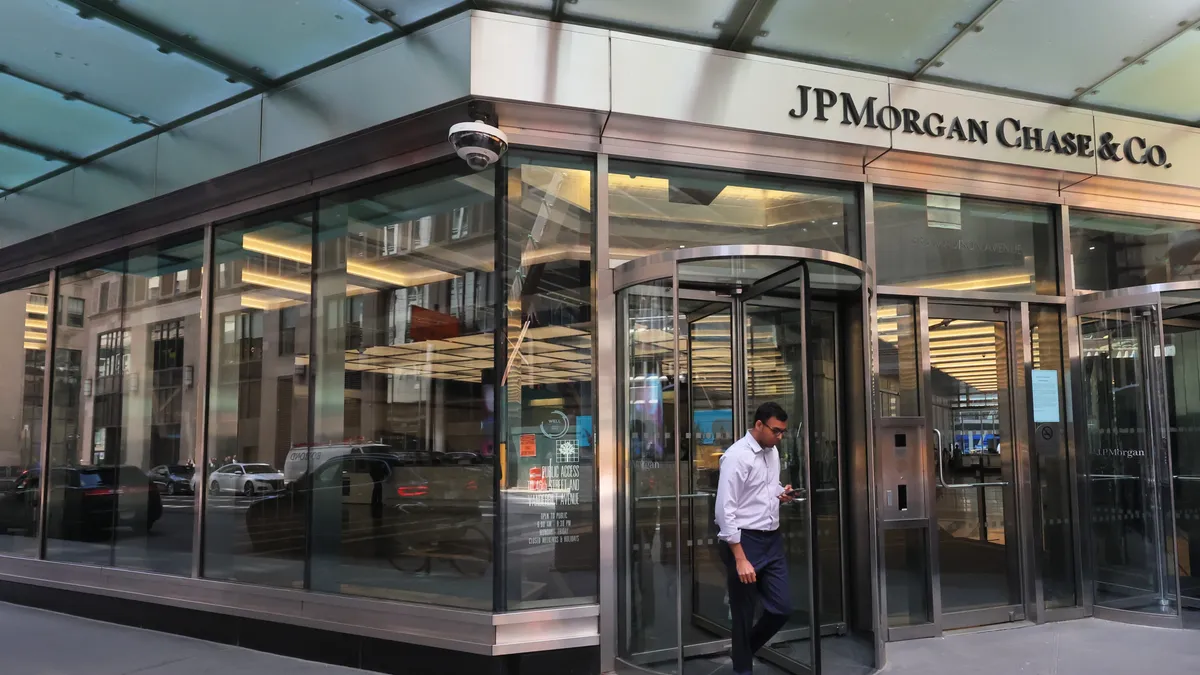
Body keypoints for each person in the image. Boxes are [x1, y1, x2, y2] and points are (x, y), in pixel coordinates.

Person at [714, 402, 794, 675]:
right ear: (758, 425)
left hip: (771, 539)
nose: (779, 437)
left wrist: (781, 493)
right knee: (743, 614)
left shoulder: (772, 453)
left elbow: (766, 489)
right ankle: (742, 668)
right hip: (744, 541)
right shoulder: (737, 456)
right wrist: (739, 557)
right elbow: (725, 509)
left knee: (781, 608)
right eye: (776, 431)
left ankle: (742, 650)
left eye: (783, 432)